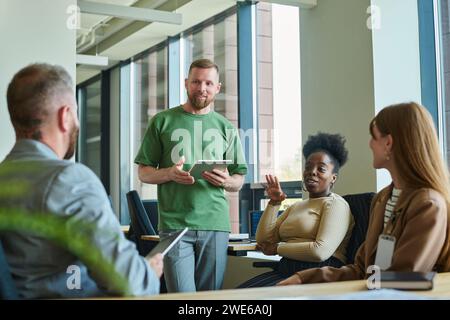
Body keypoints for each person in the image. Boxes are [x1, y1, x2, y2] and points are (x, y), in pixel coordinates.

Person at [0, 63, 163, 298]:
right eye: (76, 112)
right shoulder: (68, 180)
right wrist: (147, 271)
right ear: (65, 116)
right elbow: (130, 283)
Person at [278, 102, 450, 286]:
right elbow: (362, 270)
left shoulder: (428, 204)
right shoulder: (382, 199)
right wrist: (303, 278)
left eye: (373, 137)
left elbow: (403, 279)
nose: (369, 144)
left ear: (388, 143)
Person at [135, 58, 248, 293]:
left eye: (208, 83)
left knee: (209, 298)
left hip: (215, 223)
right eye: (196, 81)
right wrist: (169, 173)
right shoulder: (162, 121)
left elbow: (239, 179)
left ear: (218, 88)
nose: (202, 88)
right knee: (182, 296)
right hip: (175, 224)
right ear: (186, 83)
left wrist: (227, 181)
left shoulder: (226, 127)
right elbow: (144, 173)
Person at [238, 133, 354, 288]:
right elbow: (264, 241)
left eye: (321, 169)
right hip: (285, 270)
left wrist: (278, 248)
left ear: (333, 177)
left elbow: (320, 251)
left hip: (318, 274)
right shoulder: (296, 206)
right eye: (308, 167)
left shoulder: (336, 204)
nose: (312, 172)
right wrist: (274, 203)